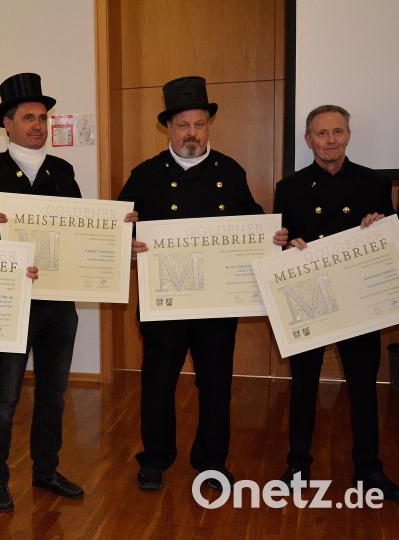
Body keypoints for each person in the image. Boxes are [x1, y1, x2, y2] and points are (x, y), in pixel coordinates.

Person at [118, 75, 287, 492]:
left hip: (216, 305)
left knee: (216, 383)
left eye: (199, 124)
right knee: (158, 382)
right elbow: (117, 228)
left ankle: (211, 461)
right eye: (183, 125)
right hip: (165, 303)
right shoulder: (145, 175)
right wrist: (128, 242)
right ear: (168, 129)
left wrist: (272, 237)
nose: (191, 133)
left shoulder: (230, 171)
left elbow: (253, 221)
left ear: (208, 126)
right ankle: (155, 458)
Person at [274, 104, 399, 506]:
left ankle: (369, 470)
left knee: (364, 388)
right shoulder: (290, 187)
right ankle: (298, 465)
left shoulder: (374, 183)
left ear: (347, 135)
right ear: (308, 140)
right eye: (321, 133)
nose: (330, 140)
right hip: (310, 302)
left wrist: (380, 226)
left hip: (358, 304)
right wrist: (286, 242)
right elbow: (282, 240)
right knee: (303, 387)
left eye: (337, 132)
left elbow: (388, 239)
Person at [0, 73, 84, 513]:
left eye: (43, 117)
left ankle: (46, 468)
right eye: (29, 117)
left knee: (54, 393)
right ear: (7, 124)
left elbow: (79, 229)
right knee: (4, 397)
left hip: (58, 303)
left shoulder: (63, 171)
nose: (38, 124)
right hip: (10, 302)